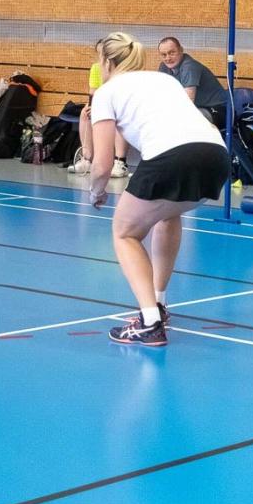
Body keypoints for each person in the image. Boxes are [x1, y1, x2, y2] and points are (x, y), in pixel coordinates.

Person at [88, 32, 230, 348]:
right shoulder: (164, 80)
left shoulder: (106, 93)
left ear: (107, 62)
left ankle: (150, 323)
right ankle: (159, 304)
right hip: (216, 155)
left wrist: (96, 192)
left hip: (172, 157)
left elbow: (102, 164)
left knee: (125, 233)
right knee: (168, 212)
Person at [69, 56, 130, 179]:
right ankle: (86, 160)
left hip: (120, 105)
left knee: (119, 117)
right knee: (85, 113)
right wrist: (93, 107)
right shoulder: (96, 68)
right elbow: (93, 94)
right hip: (103, 104)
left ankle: (120, 162)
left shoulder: (124, 69)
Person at [157, 36, 229, 127]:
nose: (168, 58)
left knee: (182, 119)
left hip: (219, 110)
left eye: (172, 53)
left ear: (181, 50)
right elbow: (161, 95)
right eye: (163, 55)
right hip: (197, 108)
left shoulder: (189, 66)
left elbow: (188, 103)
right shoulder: (164, 67)